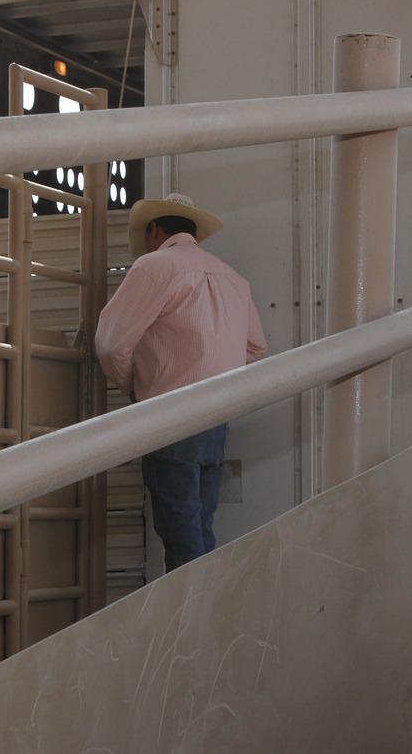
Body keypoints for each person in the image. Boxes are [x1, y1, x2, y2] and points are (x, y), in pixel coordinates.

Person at [95, 192, 267, 573]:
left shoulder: (154, 267)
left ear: (155, 229)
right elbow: (255, 347)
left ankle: (193, 620)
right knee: (199, 528)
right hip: (217, 417)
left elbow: (110, 344)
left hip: (170, 415)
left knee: (180, 534)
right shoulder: (233, 278)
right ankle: (204, 614)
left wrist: (135, 387)